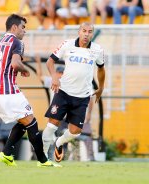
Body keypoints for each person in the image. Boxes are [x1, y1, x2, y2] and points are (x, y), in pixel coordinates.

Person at [0, 14, 61, 167]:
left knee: (23, 121)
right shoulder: (17, 42)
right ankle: (43, 160)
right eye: (23, 27)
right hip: (8, 91)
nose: (24, 31)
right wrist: (24, 70)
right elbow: (15, 64)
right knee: (32, 123)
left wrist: (1, 76)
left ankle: (6, 154)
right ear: (14, 27)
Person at [42, 22, 105, 162]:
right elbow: (50, 62)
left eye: (90, 31)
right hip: (63, 92)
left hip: (82, 96)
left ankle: (59, 142)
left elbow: (101, 69)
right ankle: (43, 157)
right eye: (84, 31)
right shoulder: (67, 44)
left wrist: (101, 87)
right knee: (52, 125)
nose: (86, 34)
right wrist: (54, 78)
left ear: (92, 34)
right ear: (79, 32)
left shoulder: (98, 50)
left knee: (75, 132)